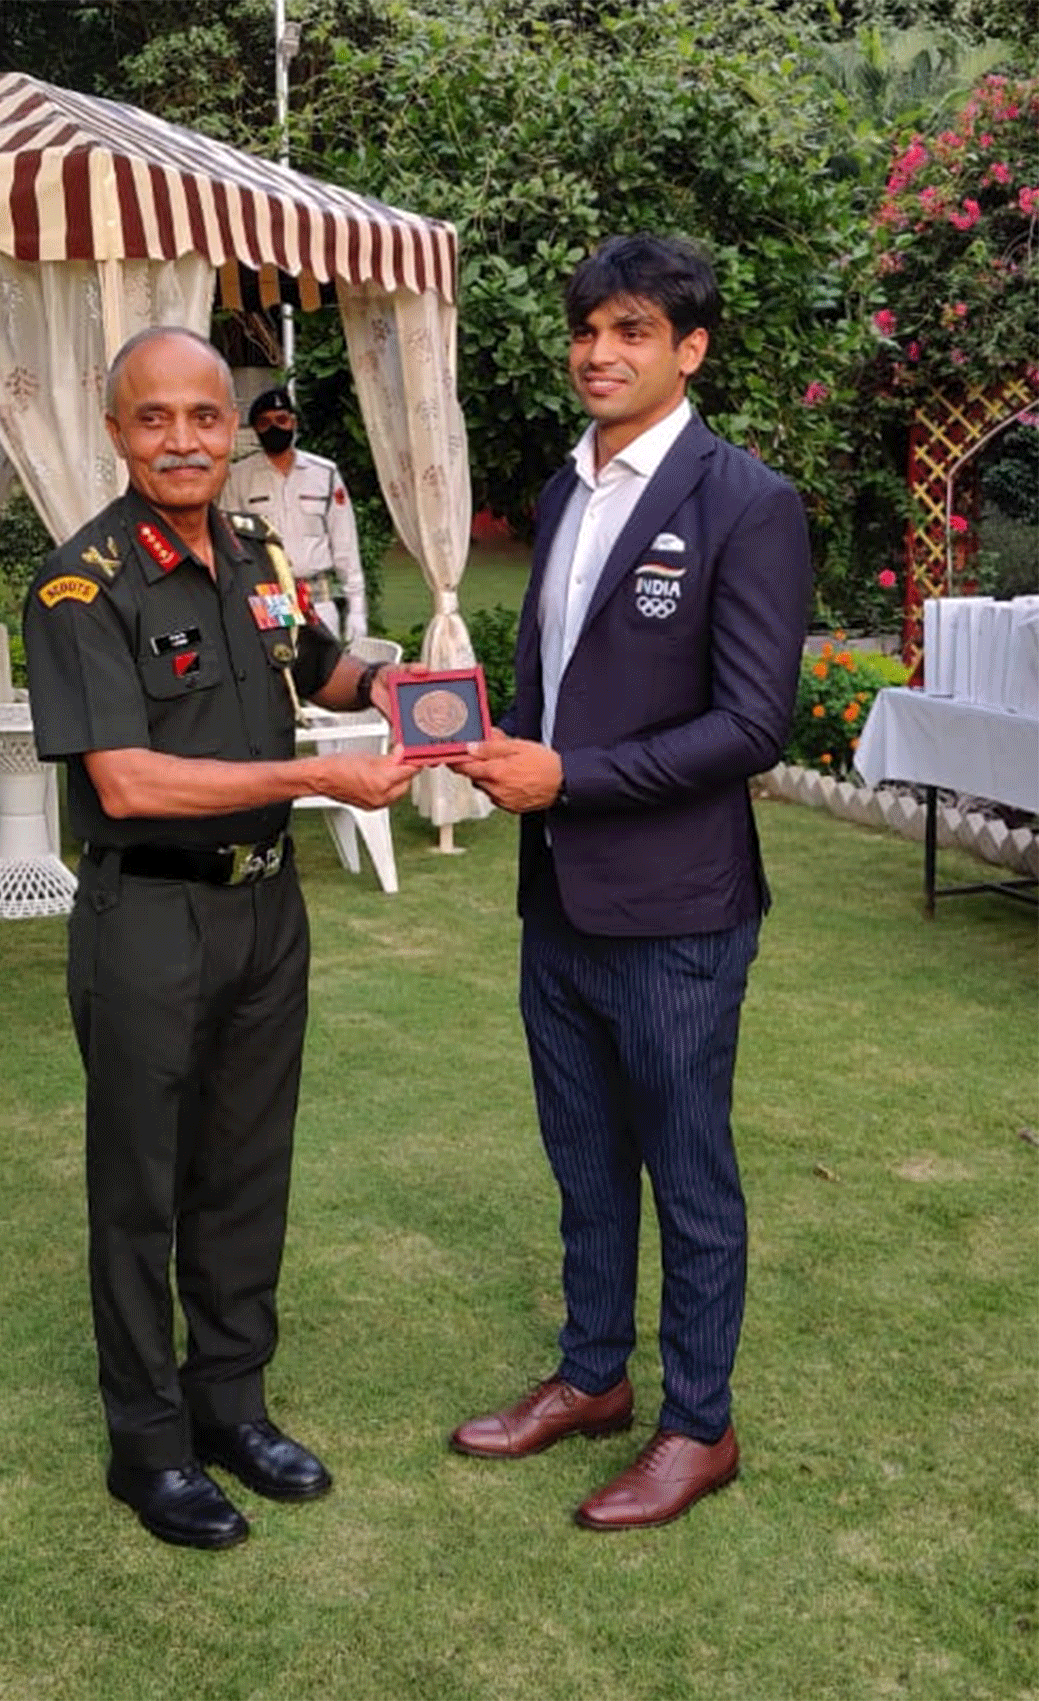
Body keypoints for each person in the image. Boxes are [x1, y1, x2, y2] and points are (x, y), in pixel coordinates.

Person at [23, 326, 413, 1552]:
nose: (184, 439)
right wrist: (317, 784)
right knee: (143, 1191)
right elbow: (128, 783)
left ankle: (229, 1406)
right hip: (149, 913)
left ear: (230, 425)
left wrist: (409, 695)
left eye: (205, 416)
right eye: (156, 419)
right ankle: (146, 1446)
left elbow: (316, 661)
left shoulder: (254, 552)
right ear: (115, 427)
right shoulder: (80, 585)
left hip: (263, 910)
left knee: (247, 1170)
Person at [448, 235, 813, 1530]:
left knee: (688, 1171)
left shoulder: (746, 503)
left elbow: (751, 725)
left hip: (678, 912)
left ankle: (697, 1425)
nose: (601, 354)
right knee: (585, 1158)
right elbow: (565, 682)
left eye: (634, 331)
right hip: (559, 898)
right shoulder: (564, 491)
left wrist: (571, 778)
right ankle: (593, 1377)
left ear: (690, 349)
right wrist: (496, 746)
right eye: (588, 331)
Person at [223, 386, 367, 642]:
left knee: (326, 676)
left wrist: (357, 608)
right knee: (282, 672)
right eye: (265, 423)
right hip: (270, 596)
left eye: (281, 420)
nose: (274, 428)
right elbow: (231, 544)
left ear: (294, 422)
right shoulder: (239, 478)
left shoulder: (324, 473)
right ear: (255, 429)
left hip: (317, 596)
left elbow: (345, 543)